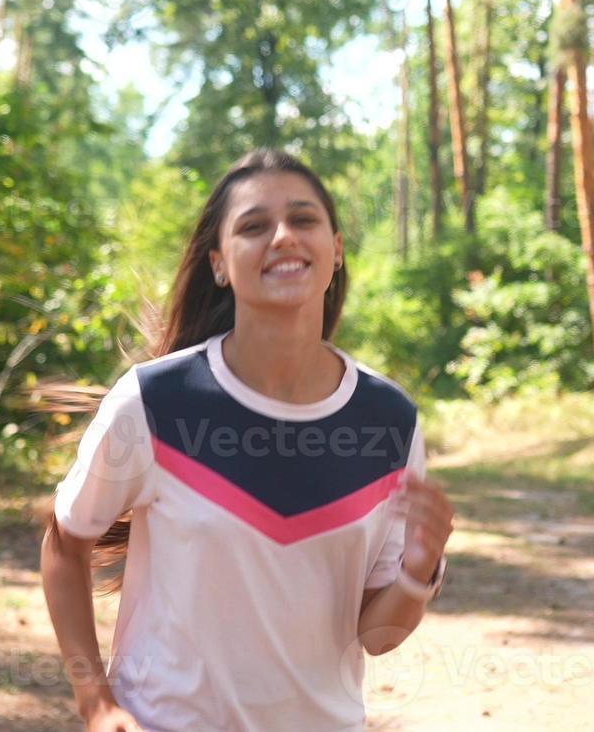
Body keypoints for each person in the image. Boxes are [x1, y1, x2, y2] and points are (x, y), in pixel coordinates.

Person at [40, 148, 455, 732]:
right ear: (220, 263)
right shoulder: (156, 401)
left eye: (304, 219)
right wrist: (97, 702)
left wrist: (418, 571)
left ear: (335, 250)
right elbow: (65, 541)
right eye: (254, 226)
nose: (283, 236)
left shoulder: (388, 420)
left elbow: (377, 636)